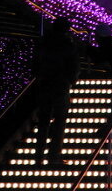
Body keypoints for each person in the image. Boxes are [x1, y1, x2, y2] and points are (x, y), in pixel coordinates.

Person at [33, 18, 80, 167]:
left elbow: (35, 62)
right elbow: (73, 65)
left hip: (45, 85)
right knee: (59, 121)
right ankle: (54, 156)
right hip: (60, 85)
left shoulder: (43, 42)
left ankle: (38, 156)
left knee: (43, 121)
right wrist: (71, 80)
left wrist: (38, 77)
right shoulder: (67, 44)